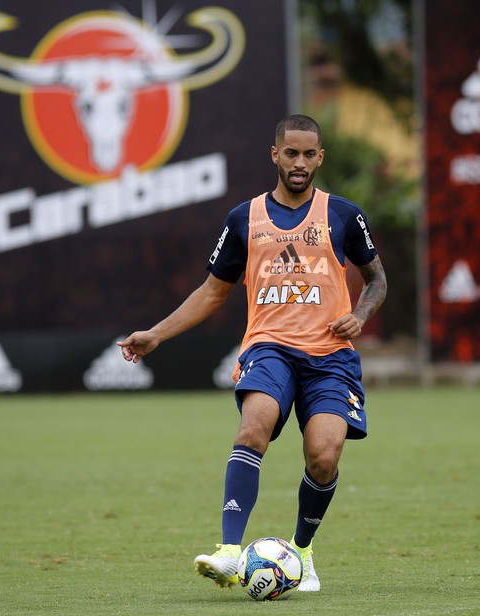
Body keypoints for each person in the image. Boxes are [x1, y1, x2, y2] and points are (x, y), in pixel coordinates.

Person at [118, 114, 387, 590]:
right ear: (275, 155)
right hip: (270, 348)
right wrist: (157, 333)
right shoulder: (244, 219)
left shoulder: (344, 215)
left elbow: (377, 279)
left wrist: (361, 315)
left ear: (320, 157)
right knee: (253, 427)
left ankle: (301, 553)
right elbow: (211, 292)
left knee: (324, 456)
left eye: (309, 154)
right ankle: (227, 552)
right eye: (291, 153)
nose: (300, 163)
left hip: (330, 357)